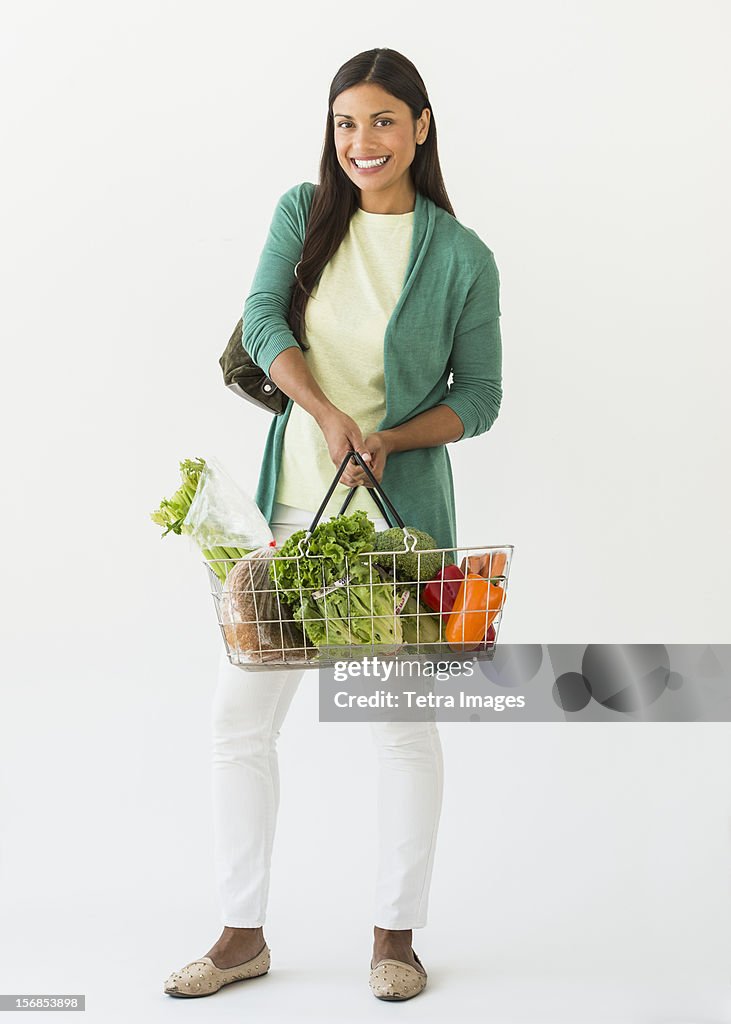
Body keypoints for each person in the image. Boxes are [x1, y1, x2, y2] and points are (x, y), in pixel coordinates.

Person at [164, 46, 502, 1003]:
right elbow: (263, 319)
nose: (362, 142)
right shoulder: (301, 214)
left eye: (384, 121)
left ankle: (395, 938)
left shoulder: (462, 256)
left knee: (399, 726)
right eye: (346, 122)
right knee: (240, 721)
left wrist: (389, 437)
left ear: (421, 128)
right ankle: (241, 936)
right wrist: (325, 415)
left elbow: (479, 398)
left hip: (398, 526)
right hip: (294, 514)